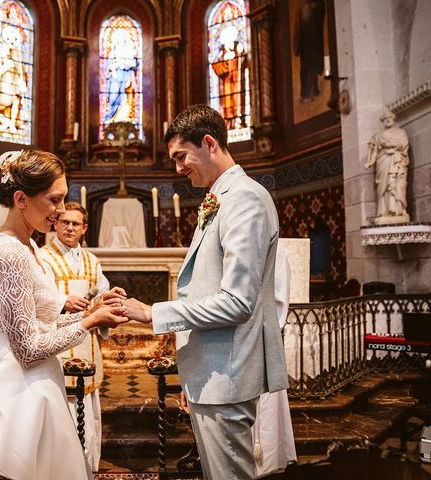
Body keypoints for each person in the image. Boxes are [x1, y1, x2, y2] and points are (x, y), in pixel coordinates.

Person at [0, 150, 128, 480]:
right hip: (17, 391)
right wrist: (90, 322)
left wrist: (92, 309)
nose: (62, 211)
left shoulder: (29, 247)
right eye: (54, 200)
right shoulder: (8, 253)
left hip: (39, 381)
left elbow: (42, 322)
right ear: (21, 199)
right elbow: (27, 348)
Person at [123, 104, 288, 479]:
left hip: (228, 376)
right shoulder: (221, 197)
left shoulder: (244, 198)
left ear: (209, 143)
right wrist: (193, 376)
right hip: (212, 374)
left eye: (181, 156)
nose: (177, 168)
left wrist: (152, 312)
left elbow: (237, 302)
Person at [38, 202, 118, 472]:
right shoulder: (42, 258)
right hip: (57, 344)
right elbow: (38, 301)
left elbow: (101, 294)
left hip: (87, 345)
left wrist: (108, 299)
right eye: (64, 222)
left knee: (87, 410)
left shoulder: (92, 261)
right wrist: (62, 302)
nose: (69, 227)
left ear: (84, 228)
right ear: (56, 224)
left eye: (75, 223)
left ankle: (87, 469)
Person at [252, 247, 297, 477]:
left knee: (267, 415)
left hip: (262, 341)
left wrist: (259, 332)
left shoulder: (277, 252)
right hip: (237, 344)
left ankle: (267, 468)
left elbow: (279, 302)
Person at [364, 110, 410, 224]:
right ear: (383, 121)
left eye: (390, 117)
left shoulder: (401, 132)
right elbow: (374, 152)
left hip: (397, 162)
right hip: (383, 162)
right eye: (385, 118)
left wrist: (393, 146)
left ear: (393, 119)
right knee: (384, 187)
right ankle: (384, 212)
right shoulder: (378, 135)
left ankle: (399, 210)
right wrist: (370, 162)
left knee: (398, 185)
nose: (388, 120)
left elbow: (404, 146)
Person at [293, 0, 326, 102]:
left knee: (314, 65)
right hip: (305, 44)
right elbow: (298, 27)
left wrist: (315, 7)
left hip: (314, 41)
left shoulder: (317, 5)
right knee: (305, 68)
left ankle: (313, 90)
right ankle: (305, 93)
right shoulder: (301, 8)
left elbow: (321, 11)